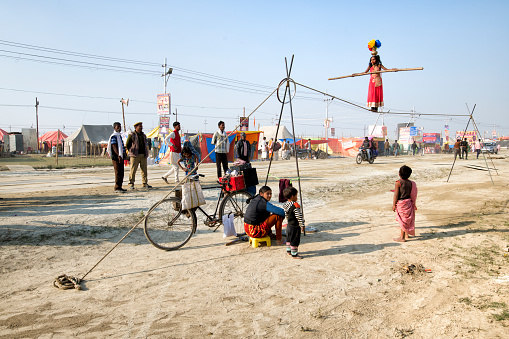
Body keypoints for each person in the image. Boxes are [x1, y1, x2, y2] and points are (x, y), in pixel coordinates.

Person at [392, 165, 418, 242]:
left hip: (401, 203)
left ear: (399, 174)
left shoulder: (398, 183)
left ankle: (402, 237)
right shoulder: (411, 183)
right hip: (408, 202)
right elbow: (412, 194)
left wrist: (394, 204)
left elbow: (396, 194)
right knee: (406, 219)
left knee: (403, 220)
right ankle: (406, 234)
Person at [126, 122, 152, 189]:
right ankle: (131, 183)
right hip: (135, 155)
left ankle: (145, 183)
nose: (141, 127)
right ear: (136, 127)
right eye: (140, 126)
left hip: (143, 155)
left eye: (141, 126)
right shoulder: (132, 135)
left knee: (144, 170)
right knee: (133, 170)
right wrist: (131, 150)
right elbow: (127, 144)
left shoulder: (143, 135)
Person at [283, 187, 305, 259]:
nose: (296, 197)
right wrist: (302, 225)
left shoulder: (286, 204)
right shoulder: (295, 205)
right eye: (296, 195)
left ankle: (289, 251)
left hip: (289, 225)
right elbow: (299, 216)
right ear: (292, 196)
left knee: (289, 239)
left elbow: (286, 215)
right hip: (295, 226)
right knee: (294, 240)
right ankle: (294, 254)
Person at [107, 122, 126, 193]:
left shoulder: (119, 136)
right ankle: (117, 187)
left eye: (120, 127)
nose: (119, 128)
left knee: (121, 172)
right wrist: (119, 155)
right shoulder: (114, 136)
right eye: (118, 127)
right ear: (114, 128)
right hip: (116, 157)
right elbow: (114, 146)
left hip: (121, 156)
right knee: (118, 172)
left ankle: (120, 186)